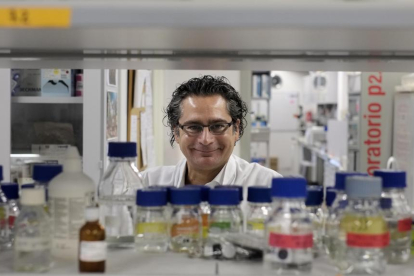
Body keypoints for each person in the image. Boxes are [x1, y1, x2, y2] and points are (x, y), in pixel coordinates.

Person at [142, 75, 281, 189]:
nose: (206, 140)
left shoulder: (267, 184)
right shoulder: (148, 184)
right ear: (176, 132)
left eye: (218, 126)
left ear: (236, 129)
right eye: (193, 127)